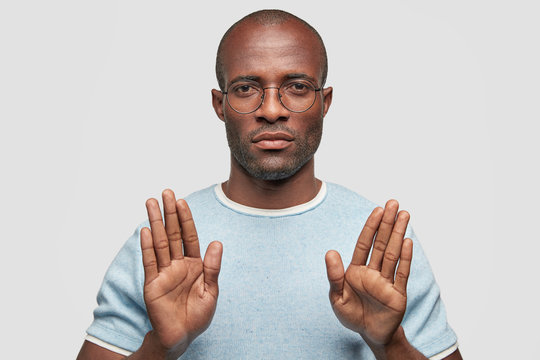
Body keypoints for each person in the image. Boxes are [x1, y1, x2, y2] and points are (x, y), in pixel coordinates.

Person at [77, 9, 462, 360]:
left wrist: (389, 344)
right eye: (246, 88)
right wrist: (161, 346)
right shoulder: (163, 242)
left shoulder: (384, 240)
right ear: (219, 104)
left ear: (325, 102)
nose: (272, 110)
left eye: (297, 86)